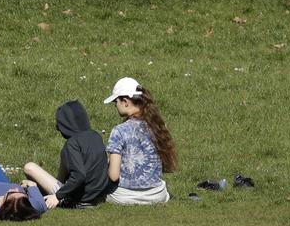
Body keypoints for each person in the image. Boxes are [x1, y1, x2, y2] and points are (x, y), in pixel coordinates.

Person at [22, 100, 112, 209]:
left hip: (78, 200)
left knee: (29, 167)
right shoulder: (95, 136)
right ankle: (48, 192)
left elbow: (79, 176)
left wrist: (57, 196)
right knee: (66, 155)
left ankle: (40, 193)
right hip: (98, 196)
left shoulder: (72, 143)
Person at [102, 77, 178, 205]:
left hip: (123, 197)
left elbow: (114, 176)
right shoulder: (158, 126)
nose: (116, 106)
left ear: (125, 102)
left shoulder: (119, 131)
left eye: (116, 102)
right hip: (156, 195)